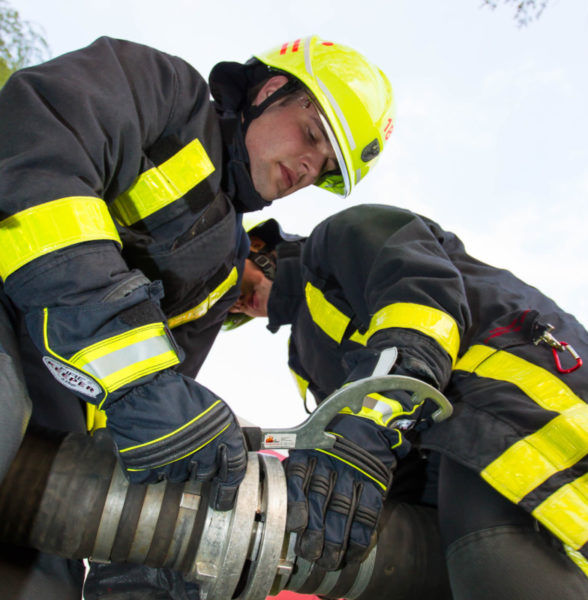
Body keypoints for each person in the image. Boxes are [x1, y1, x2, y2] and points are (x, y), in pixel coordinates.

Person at [0, 36, 394, 600]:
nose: (309, 166)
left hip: (54, 433)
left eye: (325, 167)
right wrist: (136, 379)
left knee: (46, 583)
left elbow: (164, 407)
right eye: (312, 135)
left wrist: (157, 538)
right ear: (271, 89)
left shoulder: (224, 274)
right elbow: (33, 156)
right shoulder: (163, 89)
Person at [228, 206, 588, 599]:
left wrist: (367, 422)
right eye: (229, 309)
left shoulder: (340, 236)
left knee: (490, 557)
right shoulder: (302, 355)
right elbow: (379, 450)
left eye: (232, 290)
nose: (235, 305)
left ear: (256, 247)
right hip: (445, 450)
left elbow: (422, 302)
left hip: (513, 405)